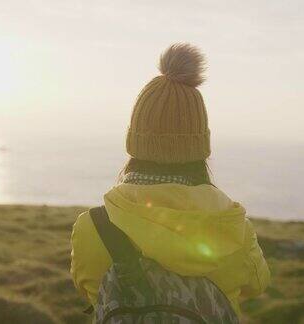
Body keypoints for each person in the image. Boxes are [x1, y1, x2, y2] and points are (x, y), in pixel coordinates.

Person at [69, 43, 271, 319]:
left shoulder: (94, 227)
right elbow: (258, 284)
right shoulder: (234, 226)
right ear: (199, 145)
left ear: (135, 141)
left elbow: (90, 290)